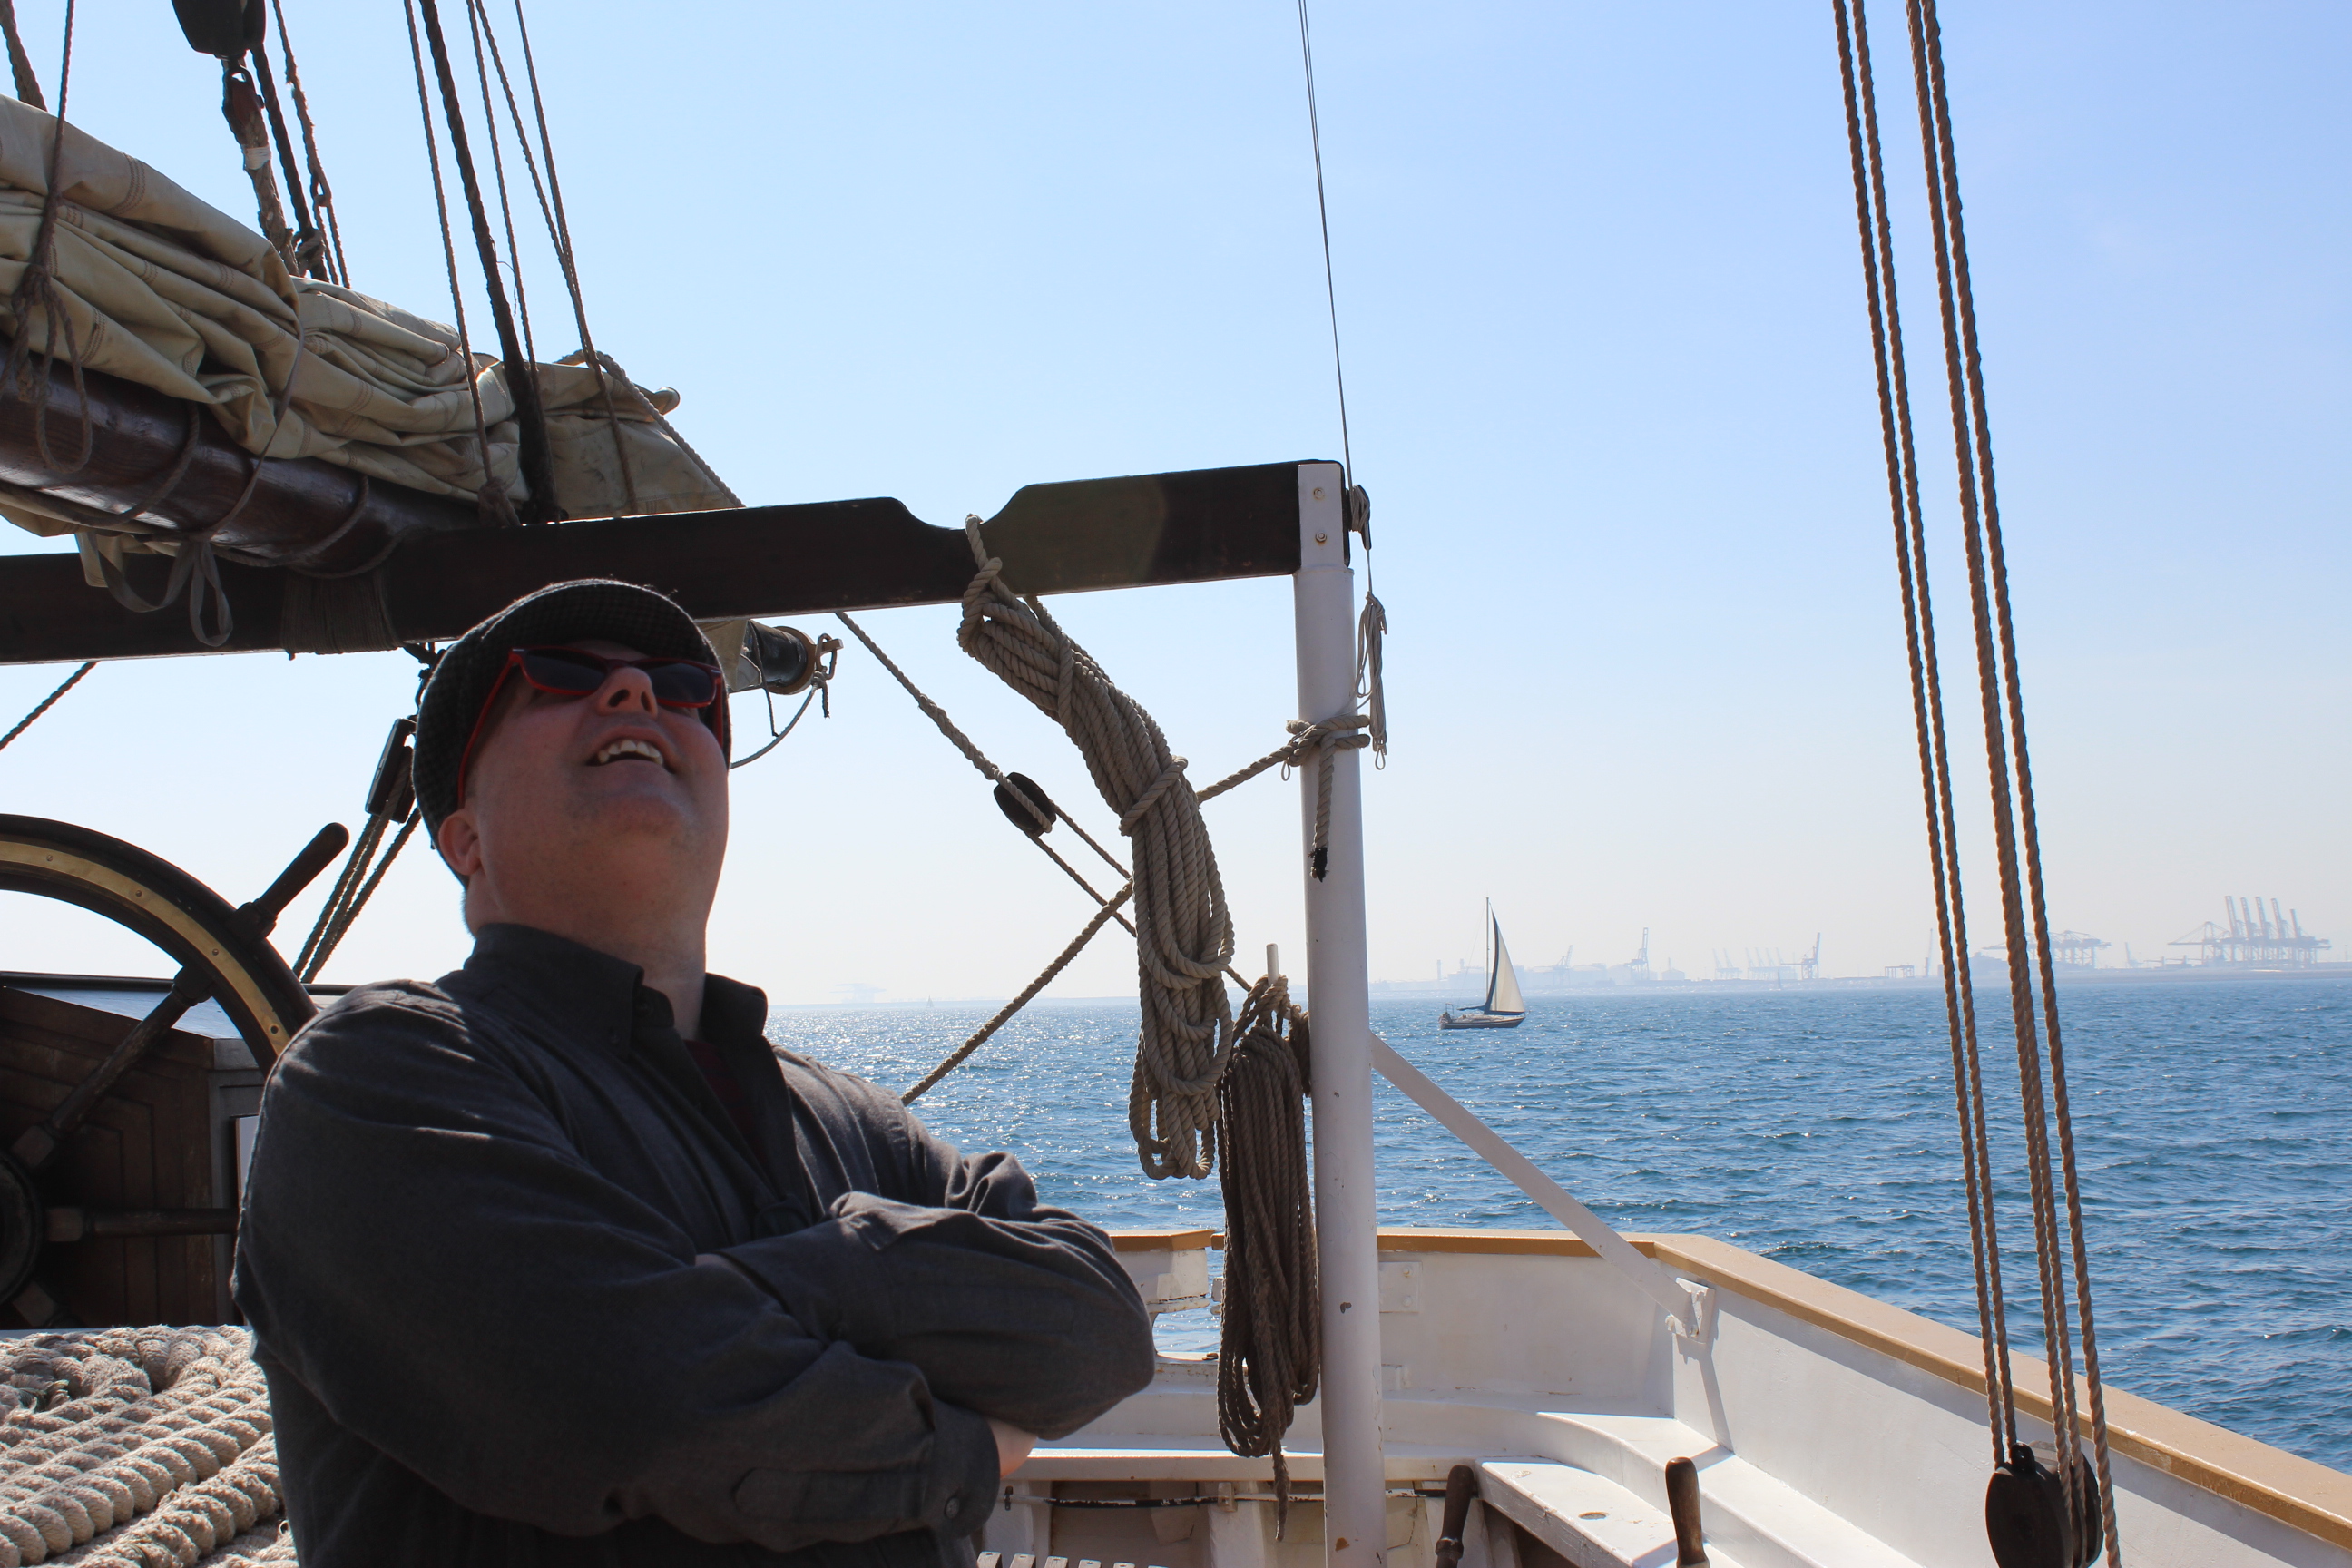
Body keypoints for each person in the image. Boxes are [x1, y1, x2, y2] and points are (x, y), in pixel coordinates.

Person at [235, 579, 1156, 1566]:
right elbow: (619, 1398)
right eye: (557, 678)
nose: (637, 691)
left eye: (684, 689)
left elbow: (1099, 1331)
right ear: (466, 839)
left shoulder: (856, 1122)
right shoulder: (374, 1076)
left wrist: (824, 1267)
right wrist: (963, 1446)